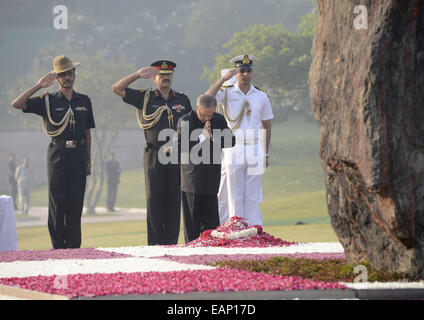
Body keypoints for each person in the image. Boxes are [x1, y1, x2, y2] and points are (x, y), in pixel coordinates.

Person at [11, 55, 95, 249]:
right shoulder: (47, 100)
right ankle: (58, 246)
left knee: (75, 201)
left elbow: (87, 133)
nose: (67, 77)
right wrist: (39, 85)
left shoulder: (84, 100)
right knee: (57, 201)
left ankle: (74, 247)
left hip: (79, 155)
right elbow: (17, 104)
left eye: (69, 73)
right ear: (57, 78)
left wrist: (88, 161)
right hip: (58, 153)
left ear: (74, 75)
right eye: (62, 74)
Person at [111, 60, 192, 245]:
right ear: (154, 78)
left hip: (176, 155)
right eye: (162, 75)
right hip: (154, 154)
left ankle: (171, 243)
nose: (165, 78)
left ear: (173, 77)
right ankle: (154, 244)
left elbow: (190, 126)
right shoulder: (145, 98)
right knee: (154, 199)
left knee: (173, 200)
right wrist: (137, 75)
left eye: (168, 75)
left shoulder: (182, 99)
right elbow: (116, 88)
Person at [205, 54, 273, 226]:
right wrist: (222, 79)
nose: (245, 74)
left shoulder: (261, 96)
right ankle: (235, 229)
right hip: (233, 146)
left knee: (253, 194)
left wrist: (265, 153)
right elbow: (206, 100)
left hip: (255, 148)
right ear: (235, 72)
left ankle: (255, 229)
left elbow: (267, 125)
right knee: (233, 193)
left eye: (248, 71)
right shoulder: (226, 92)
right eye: (241, 70)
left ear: (252, 72)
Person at [176, 94, 235, 243]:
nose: (207, 119)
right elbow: (180, 147)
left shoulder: (219, 120)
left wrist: (214, 136)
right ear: (197, 108)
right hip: (192, 179)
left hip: (211, 178)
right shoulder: (185, 121)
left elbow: (231, 141)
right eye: (203, 115)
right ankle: (191, 253)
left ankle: (212, 253)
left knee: (211, 224)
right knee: (192, 224)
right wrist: (202, 136)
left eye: (210, 115)